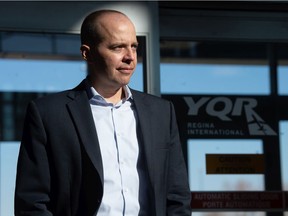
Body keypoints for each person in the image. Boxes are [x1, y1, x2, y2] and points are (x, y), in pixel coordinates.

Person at [14, 9, 191, 216]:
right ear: (87, 53)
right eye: (118, 47)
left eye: (134, 46)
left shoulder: (161, 112)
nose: (130, 57)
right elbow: (32, 203)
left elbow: (177, 197)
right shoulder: (48, 114)